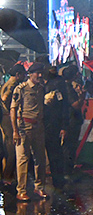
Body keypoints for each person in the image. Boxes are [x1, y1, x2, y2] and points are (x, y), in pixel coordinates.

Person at [12, 62, 51, 201]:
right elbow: (13, 109)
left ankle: (39, 187)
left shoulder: (41, 88)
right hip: (24, 127)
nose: (40, 76)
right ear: (30, 74)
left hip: (38, 127)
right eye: (37, 73)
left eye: (41, 73)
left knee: (40, 158)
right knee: (22, 159)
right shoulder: (21, 89)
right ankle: (21, 190)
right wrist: (15, 131)